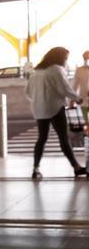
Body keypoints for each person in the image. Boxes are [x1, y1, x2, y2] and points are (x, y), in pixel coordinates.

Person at [25, 46, 86, 179]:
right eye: (65, 58)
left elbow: (28, 93)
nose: (65, 60)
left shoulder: (36, 72)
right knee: (63, 138)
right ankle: (76, 167)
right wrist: (77, 99)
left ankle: (35, 169)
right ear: (59, 58)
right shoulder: (56, 70)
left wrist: (39, 100)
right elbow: (64, 88)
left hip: (39, 109)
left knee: (41, 139)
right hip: (55, 108)